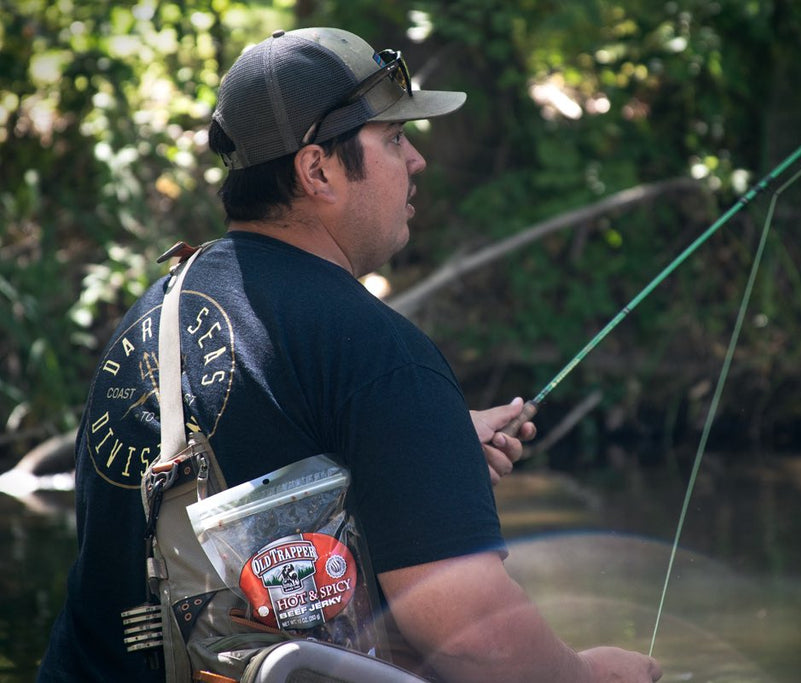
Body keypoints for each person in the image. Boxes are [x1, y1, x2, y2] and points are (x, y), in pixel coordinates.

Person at [38, 26, 662, 683]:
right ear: (318, 170)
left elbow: (229, 480)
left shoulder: (156, 309)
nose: (416, 159)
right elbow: (476, 640)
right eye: (394, 139)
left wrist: (429, 447)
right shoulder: (380, 354)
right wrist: (590, 673)